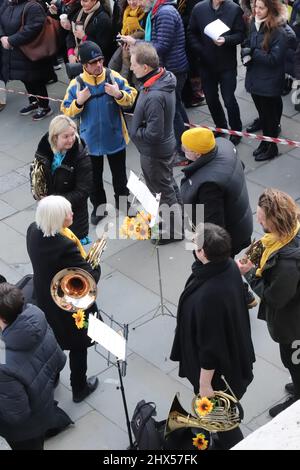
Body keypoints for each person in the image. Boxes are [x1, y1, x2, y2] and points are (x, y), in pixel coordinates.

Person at [170, 223, 255, 449]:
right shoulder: (227, 266)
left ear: (202, 253)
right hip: (232, 352)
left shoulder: (209, 297)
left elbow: (210, 348)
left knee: (220, 418)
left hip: (215, 371)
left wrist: (204, 384)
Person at [26, 195, 101, 403]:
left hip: (44, 299)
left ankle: (53, 378)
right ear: (58, 218)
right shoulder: (65, 245)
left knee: (54, 342)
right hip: (67, 306)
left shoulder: (33, 230)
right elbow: (90, 278)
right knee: (78, 345)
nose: (73, 213)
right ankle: (79, 388)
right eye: (68, 212)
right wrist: (95, 265)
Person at [236, 188, 300, 418]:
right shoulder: (290, 232)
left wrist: (251, 274)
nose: (258, 220)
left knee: (293, 360)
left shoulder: (288, 264)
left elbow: (275, 298)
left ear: (274, 221)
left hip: (294, 327)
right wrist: (252, 258)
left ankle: (298, 397)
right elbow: (265, 248)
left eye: (261, 218)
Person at [61, 40, 137, 225]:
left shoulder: (113, 77)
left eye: (100, 60)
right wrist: (79, 102)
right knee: (94, 179)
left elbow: (132, 94)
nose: (98, 65)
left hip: (115, 137)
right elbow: (65, 110)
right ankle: (99, 207)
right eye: (94, 62)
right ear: (85, 65)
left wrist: (118, 95)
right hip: (90, 142)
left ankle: (123, 202)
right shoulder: (76, 84)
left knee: (119, 175)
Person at [0, 282, 67, 450]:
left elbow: (16, 415)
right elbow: (60, 360)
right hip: (44, 407)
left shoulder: (3, 362)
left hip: (24, 431)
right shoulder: (36, 313)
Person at [119, 0, 189, 158]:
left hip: (174, 68)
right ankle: (186, 141)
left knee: (174, 111)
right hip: (172, 66)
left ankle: (183, 150)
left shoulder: (164, 13)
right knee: (177, 106)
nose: (138, 4)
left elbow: (161, 46)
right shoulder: (157, 11)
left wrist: (136, 43)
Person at [130, 42, 183, 244]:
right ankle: (179, 220)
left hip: (154, 152)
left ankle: (174, 231)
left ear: (145, 67)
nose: (131, 68)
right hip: (165, 148)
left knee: (162, 190)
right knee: (168, 184)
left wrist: (136, 132)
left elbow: (154, 133)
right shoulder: (163, 79)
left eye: (134, 64)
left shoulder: (154, 96)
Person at [180, 127, 253, 258]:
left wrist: (203, 255)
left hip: (228, 238)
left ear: (198, 154)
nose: (183, 150)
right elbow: (240, 166)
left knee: (222, 271)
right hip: (241, 221)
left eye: (186, 149)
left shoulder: (208, 185)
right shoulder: (224, 144)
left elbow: (214, 228)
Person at [188, 0, 245, 146]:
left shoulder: (234, 9)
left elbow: (241, 35)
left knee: (229, 100)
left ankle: (236, 131)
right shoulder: (199, 8)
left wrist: (226, 40)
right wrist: (201, 51)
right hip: (206, 65)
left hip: (227, 65)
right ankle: (221, 126)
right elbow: (191, 33)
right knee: (211, 98)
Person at [33, 115, 93, 244]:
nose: (71, 139)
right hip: (50, 212)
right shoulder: (44, 148)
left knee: (71, 253)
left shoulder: (81, 157)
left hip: (72, 216)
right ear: (55, 137)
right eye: (66, 136)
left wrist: (53, 201)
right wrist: (37, 191)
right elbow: (36, 172)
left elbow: (83, 192)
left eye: (73, 134)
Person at [241, 0, 289, 160]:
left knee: (270, 117)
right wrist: (245, 51)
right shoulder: (254, 24)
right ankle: (265, 142)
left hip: (269, 81)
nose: (257, 10)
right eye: (256, 7)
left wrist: (253, 53)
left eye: (261, 8)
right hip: (255, 78)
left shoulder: (279, 31)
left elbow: (275, 59)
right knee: (263, 115)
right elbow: (249, 42)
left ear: (270, 9)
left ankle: (272, 147)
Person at [0, 0, 53, 120]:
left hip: (30, 52)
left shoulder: (33, 6)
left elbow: (34, 28)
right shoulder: (8, 5)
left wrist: (10, 40)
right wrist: (2, 36)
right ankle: (34, 102)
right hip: (15, 52)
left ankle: (45, 106)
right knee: (25, 79)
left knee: (36, 79)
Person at [66, 0, 113, 65]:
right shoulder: (80, 12)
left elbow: (103, 47)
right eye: (81, 0)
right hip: (78, 57)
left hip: (95, 64)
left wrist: (84, 37)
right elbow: (71, 34)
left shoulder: (103, 19)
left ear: (94, 1)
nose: (82, 4)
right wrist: (70, 53)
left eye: (85, 1)